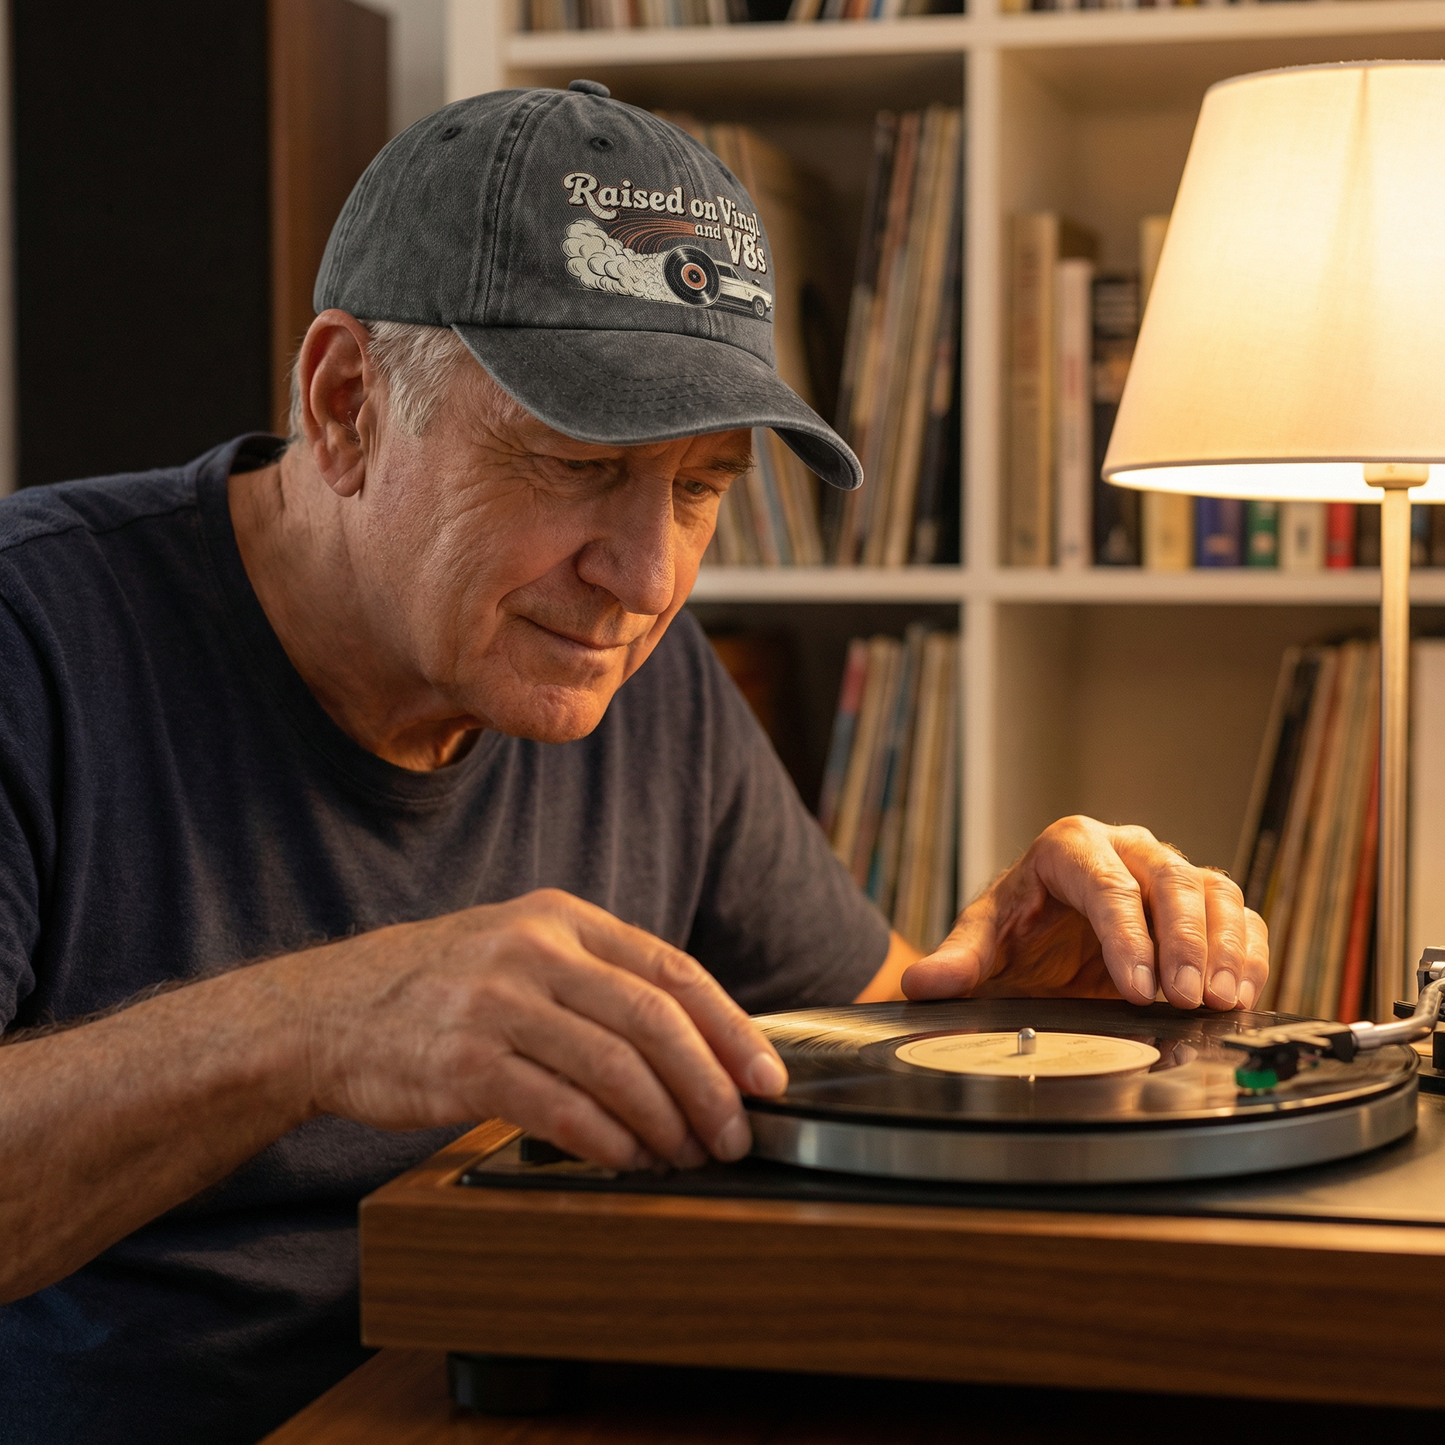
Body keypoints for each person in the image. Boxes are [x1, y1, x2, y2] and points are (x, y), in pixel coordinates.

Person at [0, 82, 1267, 1443]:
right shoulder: (35, 637)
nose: (647, 577)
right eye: (570, 462)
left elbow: (852, 1036)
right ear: (347, 401)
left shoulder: (628, 675)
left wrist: (1009, 1019)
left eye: (702, 486)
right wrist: (322, 1024)